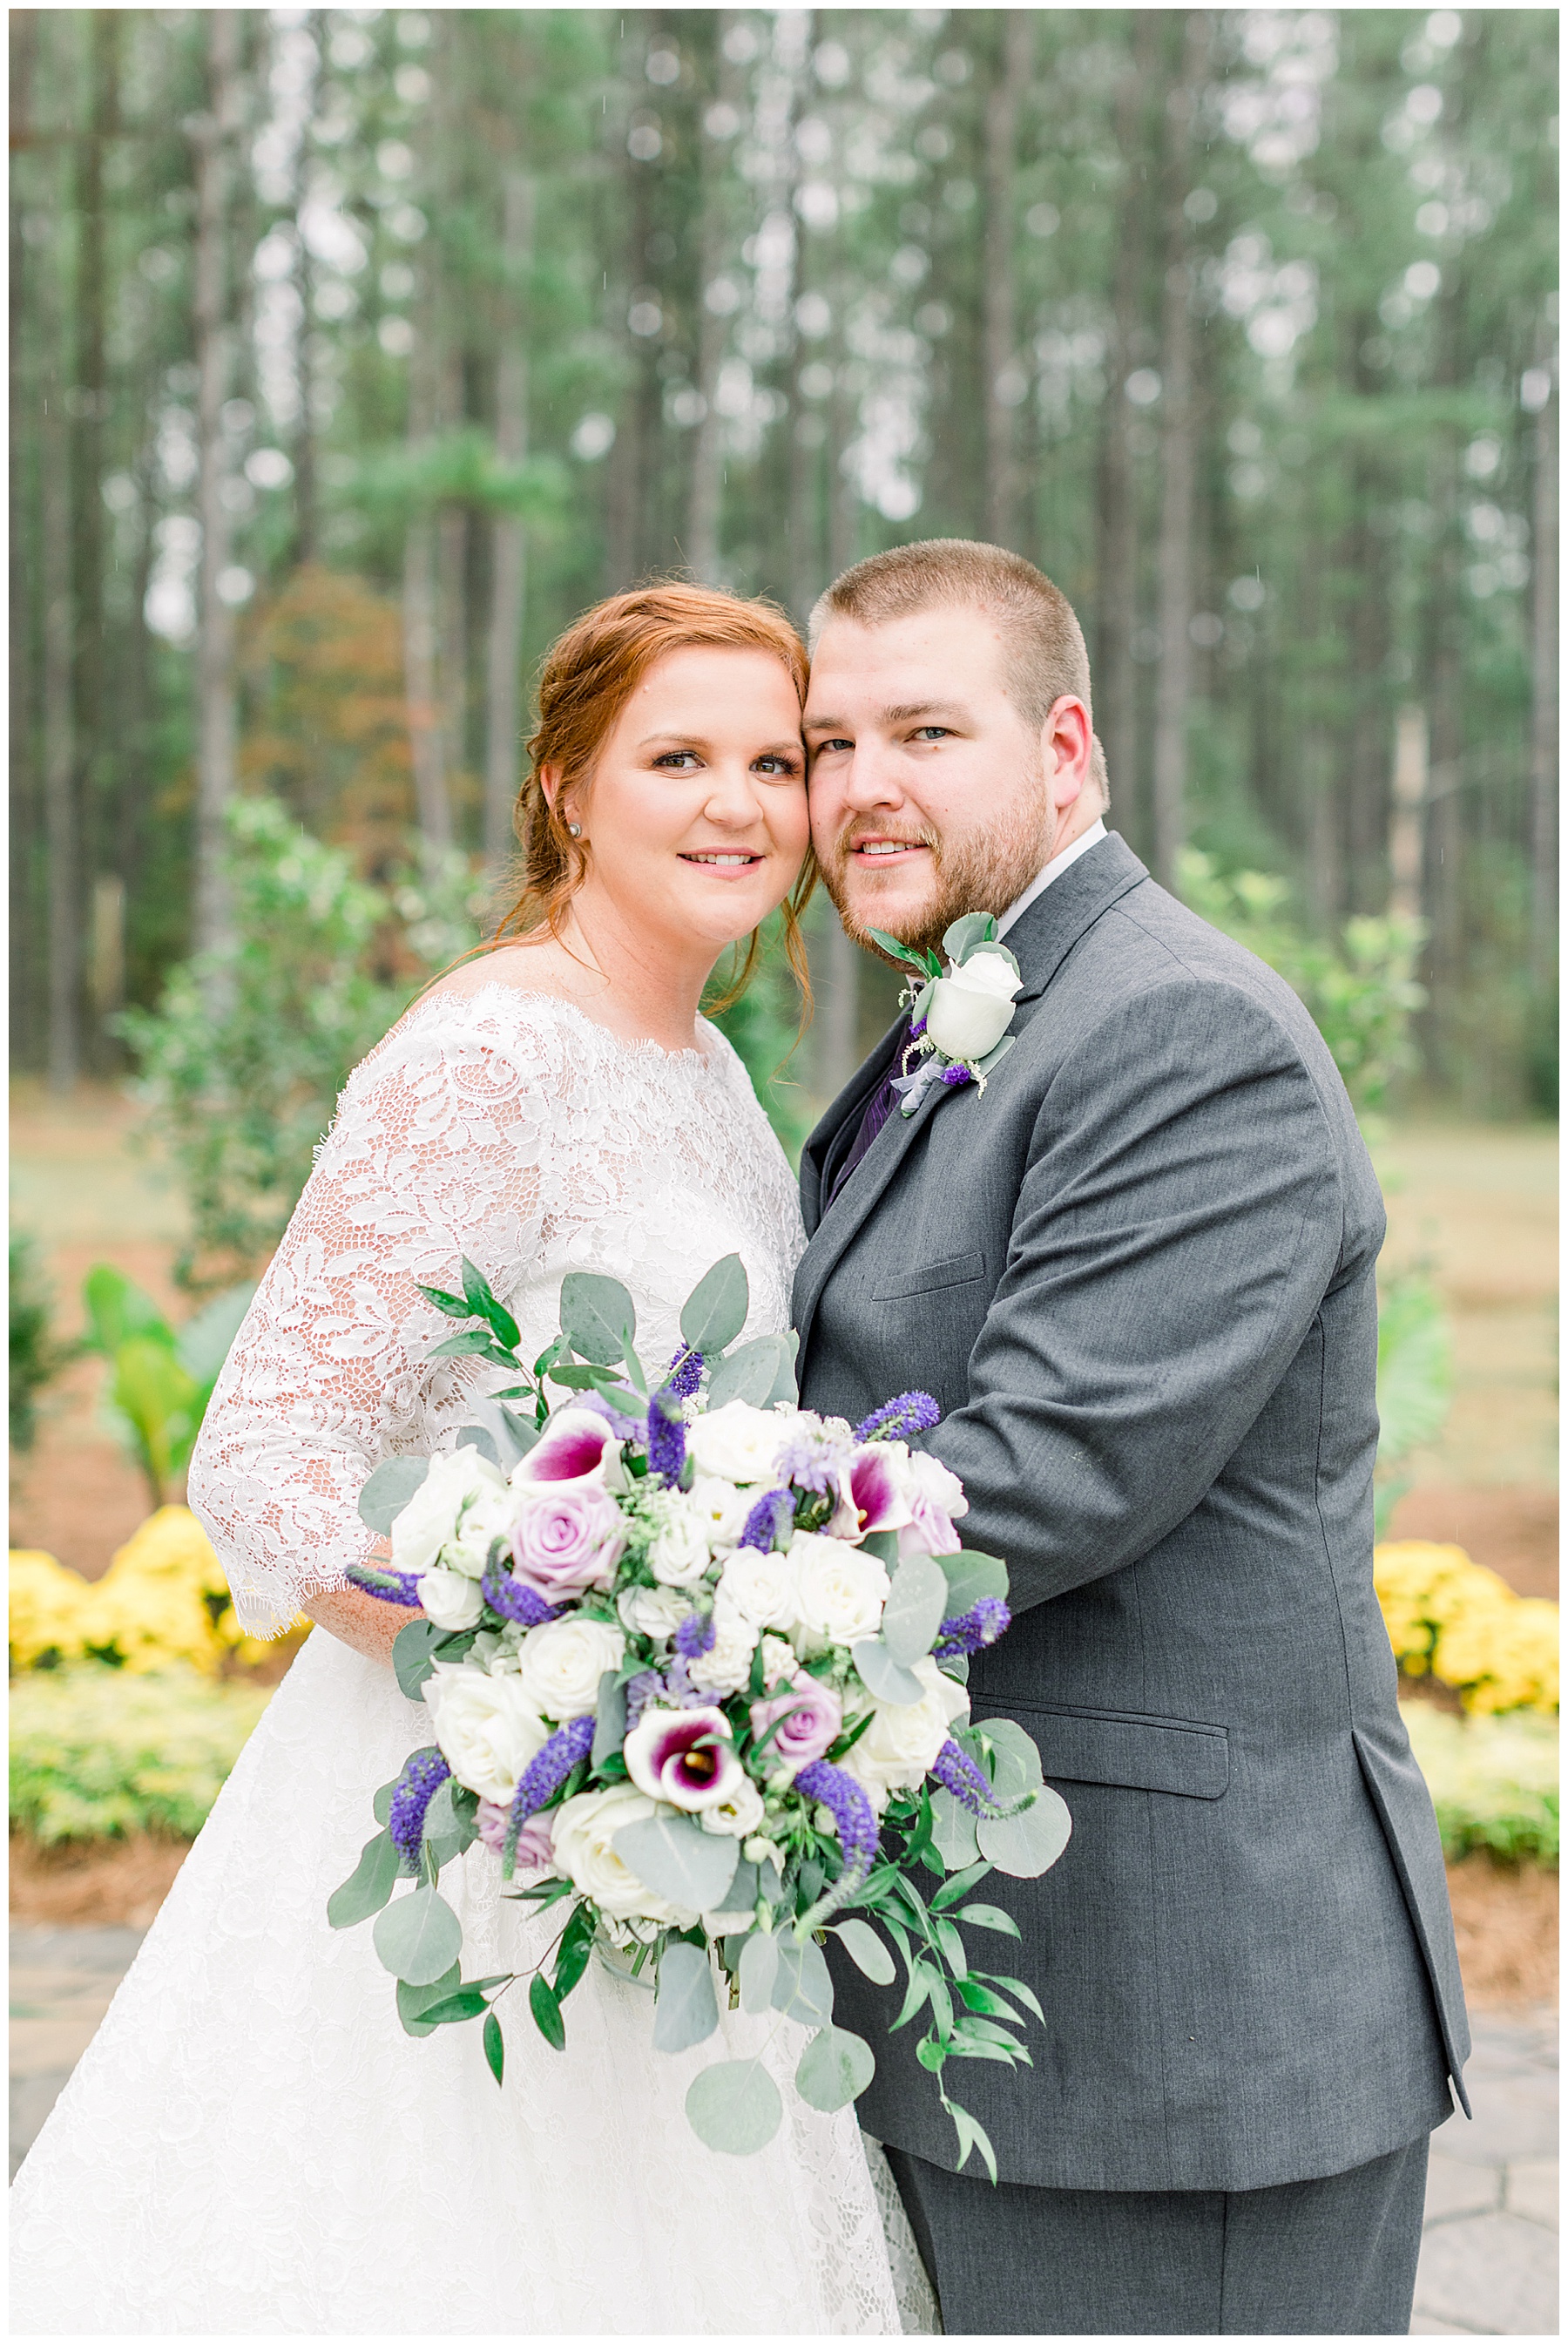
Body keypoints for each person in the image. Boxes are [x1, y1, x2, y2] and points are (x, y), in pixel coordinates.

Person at [10, 584, 931, 2337]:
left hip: (670, 1835)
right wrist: (538, 1669)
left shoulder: (709, 1071)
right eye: (678, 756)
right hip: (479, 1825)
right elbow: (262, 1457)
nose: (740, 804)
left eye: (773, 762)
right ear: (568, 788)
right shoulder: (491, 1055)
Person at [793, 539, 1470, 2337]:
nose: (862, 785)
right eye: (831, 742)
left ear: (1068, 750)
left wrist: (667, 1602)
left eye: (925, 731)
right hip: (1013, 1976)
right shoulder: (990, 1005)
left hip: (1177, 2008)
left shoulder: (1178, 1026)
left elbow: (1043, 1478)